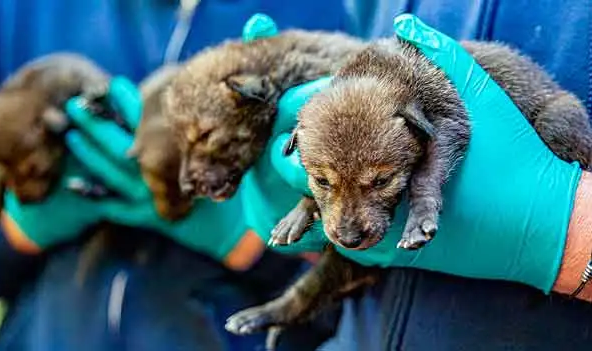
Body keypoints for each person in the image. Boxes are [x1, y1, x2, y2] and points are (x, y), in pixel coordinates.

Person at [0, 1, 351, 350]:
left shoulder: (326, 13)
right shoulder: (12, 11)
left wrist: (256, 244)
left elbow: (379, 294)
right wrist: (15, 229)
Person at [239, 3, 592, 350]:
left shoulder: (421, 109)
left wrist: (563, 229)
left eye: (379, 181)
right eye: (322, 181)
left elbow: (443, 123)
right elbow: (348, 138)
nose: (347, 226)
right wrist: (305, 199)